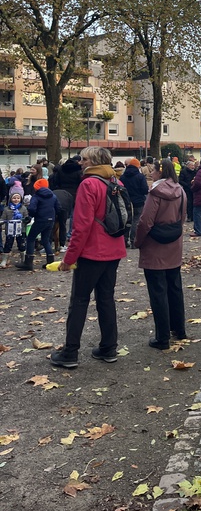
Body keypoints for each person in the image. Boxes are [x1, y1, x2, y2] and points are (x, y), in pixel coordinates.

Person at [50, 147, 127, 368]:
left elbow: (81, 226)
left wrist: (69, 258)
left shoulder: (89, 184)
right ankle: (108, 348)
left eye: (84, 159)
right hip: (114, 248)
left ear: (94, 161)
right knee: (106, 299)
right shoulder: (117, 182)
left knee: (79, 301)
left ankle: (70, 352)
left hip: (92, 251)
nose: (80, 163)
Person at [135, 159, 187, 349]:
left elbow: (145, 221)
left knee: (158, 293)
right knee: (175, 289)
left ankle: (162, 337)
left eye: (154, 170)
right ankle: (179, 329)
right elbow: (183, 217)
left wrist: (138, 241)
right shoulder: (181, 191)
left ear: (160, 172)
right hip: (174, 245)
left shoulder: (155, 193)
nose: (151, 173)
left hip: (155, 247)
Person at [16, 179, 60, 270]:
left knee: (31, 238)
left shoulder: (36, 196)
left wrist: (32, 216)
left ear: (36, 187)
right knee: (45, 240)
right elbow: (59, 207)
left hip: (40, 220)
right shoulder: (53, 196)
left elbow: (32, 208)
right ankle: (50, 261)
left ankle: (28, 262)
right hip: (50, 220)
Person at [120, 158, 149, 248]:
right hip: (138, 201)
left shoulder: (123, 177)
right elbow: (145, 190)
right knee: (136, 220)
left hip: (126, 201)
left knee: (126, 220)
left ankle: (124, 240)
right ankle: (134, 241)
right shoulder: (140, 177)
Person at [0, 191, 28, 268]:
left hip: (21, 230)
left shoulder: (23, 208)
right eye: (14, 198)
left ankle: (24, 260)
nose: (16, 200)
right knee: (8, 244)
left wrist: (25, 219)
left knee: (21, 244)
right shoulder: (6, 209)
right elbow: (2, 218)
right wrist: (2, 222)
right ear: (11, 199)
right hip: (10, 230)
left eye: (18, 198)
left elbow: (26, 217)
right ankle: (4, 260)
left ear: (21, 199)